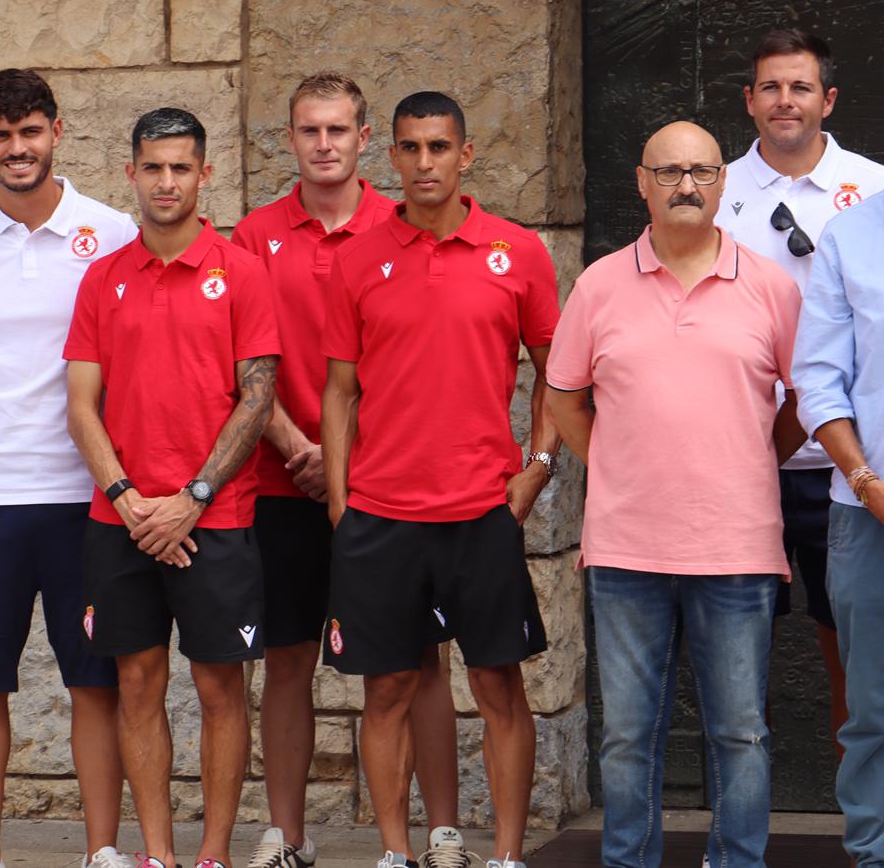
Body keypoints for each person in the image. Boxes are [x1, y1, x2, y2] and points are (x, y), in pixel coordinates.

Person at [550, 121, 803, 868]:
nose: (686, 185)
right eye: (668, 172)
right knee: (629, 736)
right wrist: (621, 465)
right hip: (627, 550)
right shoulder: (599, 285)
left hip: (737, 549)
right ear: (642, 183)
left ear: (724, 182)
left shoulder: (772, 286)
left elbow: (803, 402)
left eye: (701, 171)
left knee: (741, 733)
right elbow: (564, 400)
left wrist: (748, 458)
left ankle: (737, 862)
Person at [320, 92, 561, 868]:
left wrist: (536, 470)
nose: (425, 162)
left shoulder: (518, 252)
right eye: (410, 147)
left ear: (465, 155)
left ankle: (507, 857)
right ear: (391, 155)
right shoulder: (358, 258)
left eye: (439, 147)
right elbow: (339, 391)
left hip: (482, 510)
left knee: (498, 689)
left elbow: (558, 376)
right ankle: (396, 853)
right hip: (381, 514)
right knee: (387, 691)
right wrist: (340, 502)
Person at [230, 72, 464, 868]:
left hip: (385, 487)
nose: (324, 144)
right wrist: (301, 449)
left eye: (338, 130)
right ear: (291, 138)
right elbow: (241, 363)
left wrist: (345, 460)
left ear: (365, 139)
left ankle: (442, 835)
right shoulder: (253, 237)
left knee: (417, 659)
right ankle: (287, 835)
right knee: (288, 658)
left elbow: (413, 366)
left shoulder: (403, 229)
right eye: (309, 130)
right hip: (281, 479)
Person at [0, 69, 139, 868]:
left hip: (86, 498)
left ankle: (102, 849)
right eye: (1, 134)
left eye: (30, 130)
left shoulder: (112, 232)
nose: (17, 147)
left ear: (56, 131)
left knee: (96, 682)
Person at [66, 107, 280, 868]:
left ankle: (213, 854)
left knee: (221, 688)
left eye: (180, 167)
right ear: (131, 173)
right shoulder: (103, 277)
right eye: (152, 167)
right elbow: (80, 405)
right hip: (120, 519)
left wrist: (192, 497)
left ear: (204, 174)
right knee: (136, 684)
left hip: (215, 518)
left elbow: (257, 398)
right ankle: (157, 854)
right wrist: (127, 498)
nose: (166, 182)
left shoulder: (242, 272)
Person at [715, 28, 884, 754]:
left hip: (848, 467)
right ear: (749, 100)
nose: (786, 101)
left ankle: (858, 810)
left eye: (801, 87)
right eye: (771, 88)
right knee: (736, 646)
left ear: (829, 99)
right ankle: (741, 812)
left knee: (854, 647)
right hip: (741, 458)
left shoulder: (874, 189)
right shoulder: (713, 188)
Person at [791, 172, 884, 868]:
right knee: (872, 709)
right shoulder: (851, 234)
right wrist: (865, 481)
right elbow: (819, 380)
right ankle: (873, 852)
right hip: (867, 513)